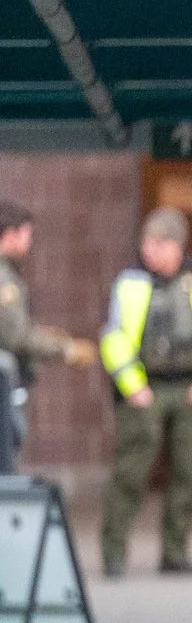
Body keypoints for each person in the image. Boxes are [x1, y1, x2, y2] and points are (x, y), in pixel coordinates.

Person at [97, 206, 192, 578]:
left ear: (177, 246)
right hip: (144, 389)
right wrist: (132, 384)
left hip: (190, 387)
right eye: (147, 243)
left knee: (186, 473)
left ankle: (175, 552)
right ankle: (114, 551)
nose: (150, 251)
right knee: (131, 471)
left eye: (159, 244)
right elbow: (113, 336)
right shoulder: (130, 281)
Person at [0, 200, 97, 476]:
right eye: (26, 233)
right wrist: (63, 349)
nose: (30, 241)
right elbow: (15, 335)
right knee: (7, 457)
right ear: (10, 234)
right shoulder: (4, 279)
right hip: (5, 383)